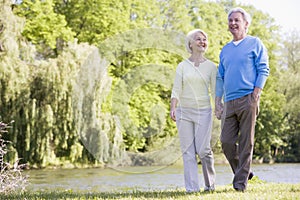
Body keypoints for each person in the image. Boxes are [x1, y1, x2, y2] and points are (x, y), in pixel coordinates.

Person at [215, 7, 270, 192]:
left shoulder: (255, 43)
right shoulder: (225, 50)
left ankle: (240, 184)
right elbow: (220, 77)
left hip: (248, 98)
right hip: (229, 101)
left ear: (246, 24)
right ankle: (246, 172)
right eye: (230, 20)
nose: (233, 23)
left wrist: (256, 92)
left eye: (236, 20)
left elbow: (263, 68)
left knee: (247, 142)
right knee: (227, 141)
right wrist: (217, 101)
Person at [170, 29, 216, 193]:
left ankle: (210, 185)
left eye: (205, 39)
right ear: (190, 44)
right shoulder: (182, 66)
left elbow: (215, 89)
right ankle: (191, 189)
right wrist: (173, 107)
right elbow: (177, 88)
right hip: (184, 112)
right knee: (188, 151)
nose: (202, 41)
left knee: (203, 149)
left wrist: (219, 106)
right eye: (198, 39)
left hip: (204, 111)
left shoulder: (211, 66)